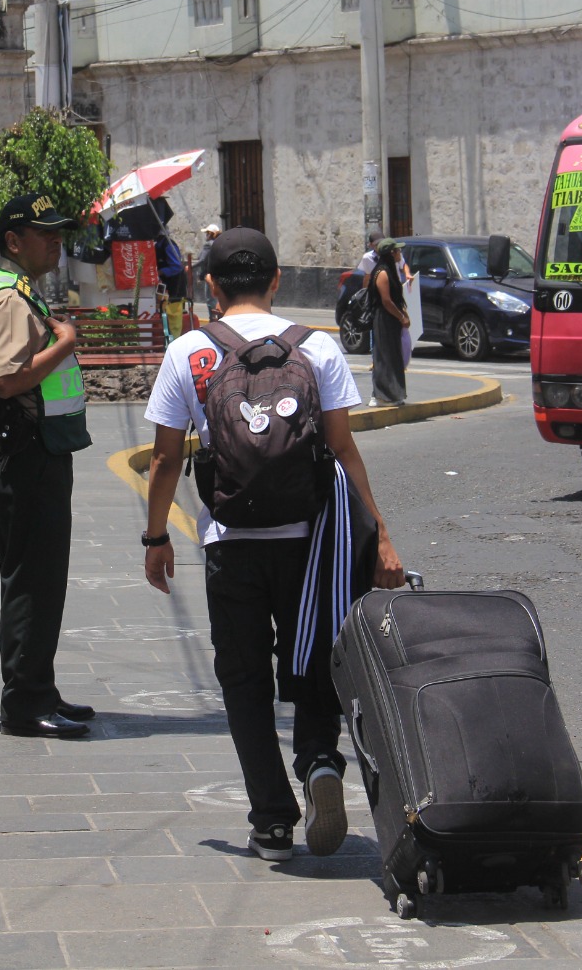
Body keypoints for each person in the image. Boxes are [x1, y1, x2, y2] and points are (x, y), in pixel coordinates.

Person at [141, 226, 404, 861]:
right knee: (313, 663)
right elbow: (342, 449)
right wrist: (382, 538)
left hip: (232, 544)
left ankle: (271, 821)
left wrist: (155, 537)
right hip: (313, 543)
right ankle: (319, 764)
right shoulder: (317, 347)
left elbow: (165, 459)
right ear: (277, 279)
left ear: (209, 285)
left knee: (243, 678)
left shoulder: (189, 354)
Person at [0, 194, 96, 739]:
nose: (56, 241)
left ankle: (39, 688)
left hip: (39, 448)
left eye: (58, 232)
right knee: (30, 579)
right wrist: (65, 342)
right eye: (44, 233)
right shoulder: (6, 296)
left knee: (44, 580)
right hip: (24, 452)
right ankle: (25, 703)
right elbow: (7, 378)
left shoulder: (23, 292)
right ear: (13, 241)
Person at [368, 238, 409, 407]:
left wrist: (403, 313)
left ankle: (392, 394)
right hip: (384, 319)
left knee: (393, 356)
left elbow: (396, 298)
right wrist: (401, 317)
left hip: (391, 319)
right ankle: (381, 396)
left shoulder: (390, 271)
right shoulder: (383, 273)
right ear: (390, 254)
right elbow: (386, 301)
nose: (400, 254)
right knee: (384, 356)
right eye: (397, 251)